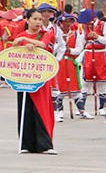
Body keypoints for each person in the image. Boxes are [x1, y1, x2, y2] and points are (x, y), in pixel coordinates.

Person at [14, 9, 58, 154]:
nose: (38, 22)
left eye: (40, 19)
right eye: (35, 19)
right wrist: (22, 44)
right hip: (24, 79)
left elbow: (44, 45)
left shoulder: (46, 34)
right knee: (25, 109)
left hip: (41, 79)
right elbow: (13, 54)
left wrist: (26, 41)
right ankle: (26, 144)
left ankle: (44, 144)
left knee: (42, 110)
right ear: (27, 20)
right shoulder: (20, 36)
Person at [77, 9, 106, 119]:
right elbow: (81, 42)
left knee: (102, 81)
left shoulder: (103, 25)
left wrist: (98, 37)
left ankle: (102, 107)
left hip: (100, 54)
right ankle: (82, 108)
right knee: (85, 81)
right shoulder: (83, 27)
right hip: (88, 54)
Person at [53, 12, 86, 121]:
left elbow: (79, 49)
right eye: (64, 21)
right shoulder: (54, 33)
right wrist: (60, 46)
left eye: (69, 21)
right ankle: (59, 111)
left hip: (71, 63)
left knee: (74, 88)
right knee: (59, 88)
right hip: (58, 63)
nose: (67, 23)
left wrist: (69, 50)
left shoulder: (76, 34)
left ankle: (82, 111)